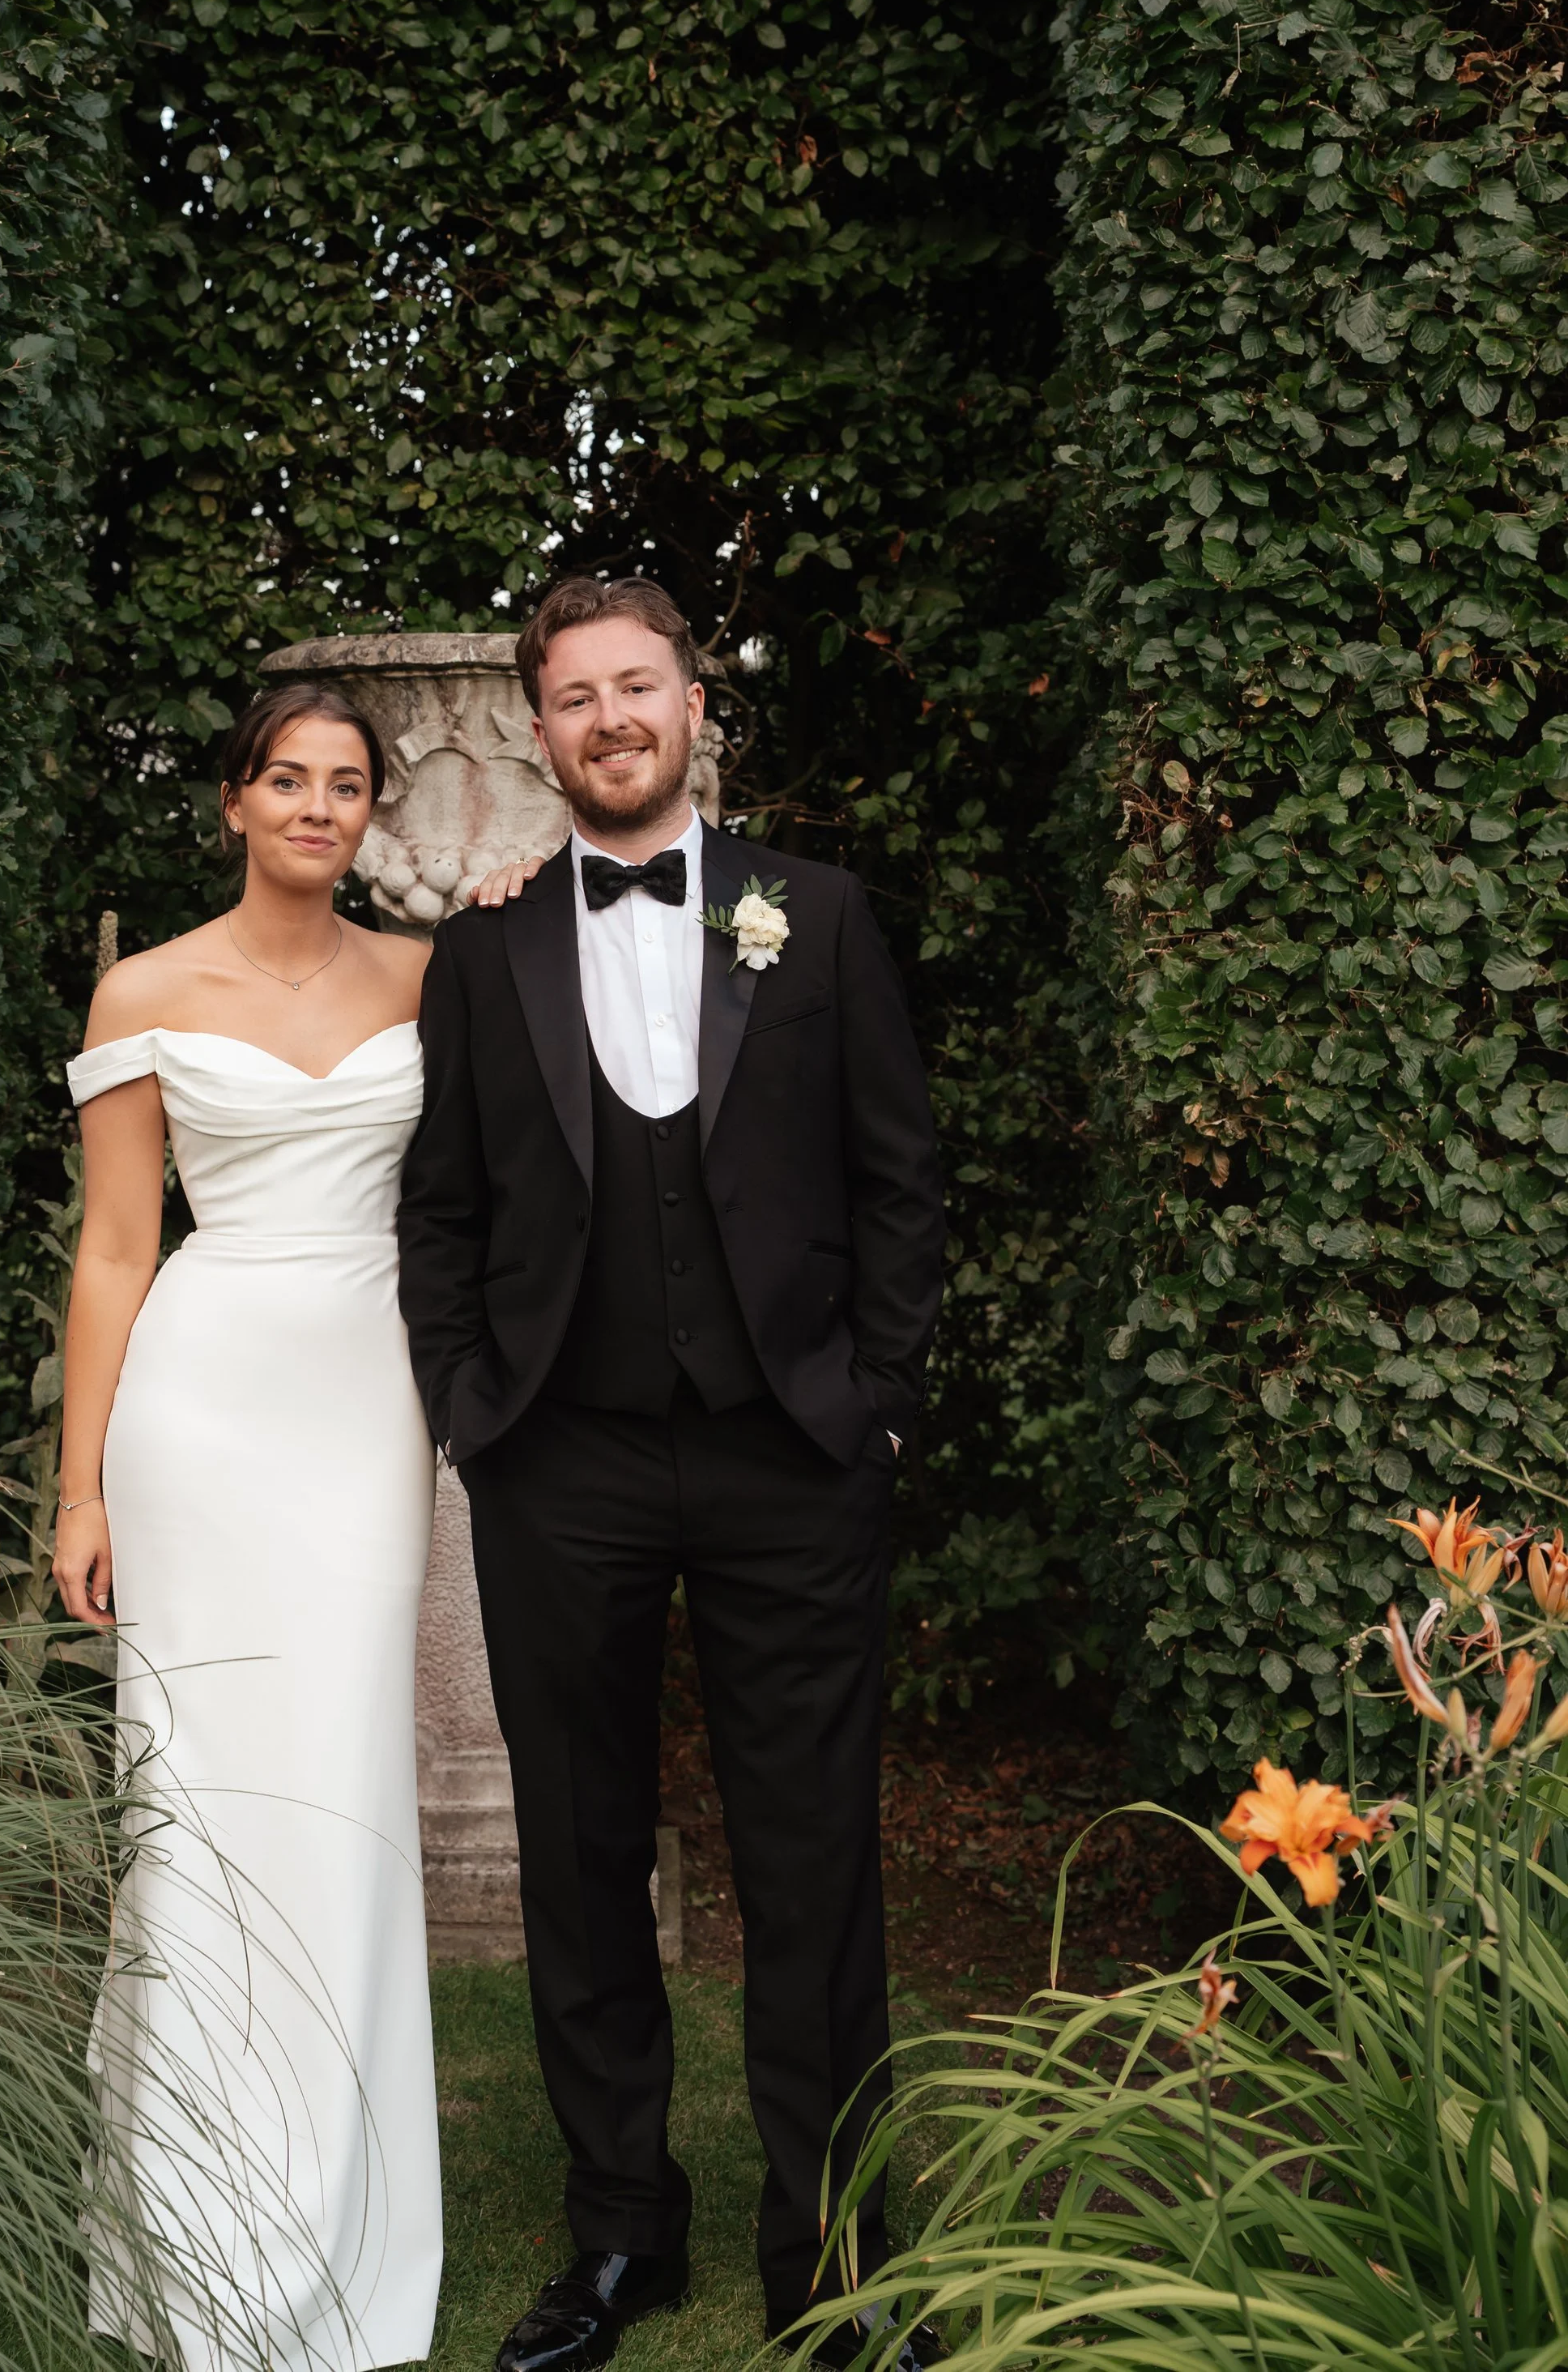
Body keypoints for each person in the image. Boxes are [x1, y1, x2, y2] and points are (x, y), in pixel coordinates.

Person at [398, 576, 946, 2372]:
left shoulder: (824, 917)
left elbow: (895, 1187)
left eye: (637, 685)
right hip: (561, 1465)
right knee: (577, 1856)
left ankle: (836, 2249)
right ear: (537, 732)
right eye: (572, 697)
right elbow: (448, 1211)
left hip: (793, 1459)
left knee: (811, 1867)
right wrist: (475, 1413)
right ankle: (620, 2236)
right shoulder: (480, 955)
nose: (608, 719)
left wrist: (868, 1407)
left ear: (694, 705)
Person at [54, 682, 442, 2372]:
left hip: (364, 1412)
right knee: (200, 1801)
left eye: (343, 785)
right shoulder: (145, 989)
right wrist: (79, 1485)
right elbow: (116, 1253)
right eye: (284, 779)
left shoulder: (431, 977)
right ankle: (189, 2215)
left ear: (370, 816)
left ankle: (341, 2206)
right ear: (233, 803)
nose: (312, 806)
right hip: (195, 1423)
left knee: (343, 1789)